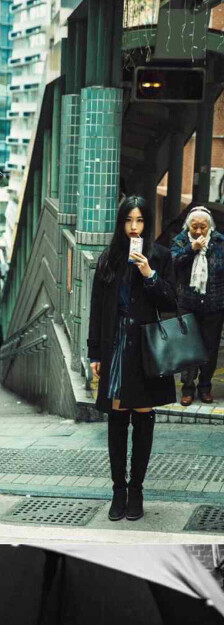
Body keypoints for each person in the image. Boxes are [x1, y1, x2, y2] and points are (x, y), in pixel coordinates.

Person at [88, 194, 176, 521]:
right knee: (117, 415)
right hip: (115, 346)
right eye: (129, 220)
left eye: (139, 221)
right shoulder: (108, 259)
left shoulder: (160, 256)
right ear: (120, 222)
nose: (134, 227)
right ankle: (118, 490)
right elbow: (97, 308)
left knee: (143, 414)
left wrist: (149, 273)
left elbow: (170, 302)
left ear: (147, 223)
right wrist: (94, 351)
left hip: (144, 349)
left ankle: (136, 490)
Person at [170, 205, 224, 406]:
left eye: (203, 227)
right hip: (187, 304)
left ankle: (205, 386)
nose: (199, 231)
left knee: (210, 348)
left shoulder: (219, 243)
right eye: (195, 227)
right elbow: (173, 264)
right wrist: (191, 250)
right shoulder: (180, 241)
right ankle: (187, 389)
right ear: (188, 226)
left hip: (214, 304)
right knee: (188, 348)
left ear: (209, 227)